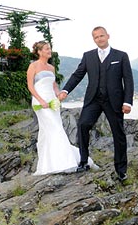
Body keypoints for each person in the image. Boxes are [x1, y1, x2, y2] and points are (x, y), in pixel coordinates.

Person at [58, 26, 134, 182]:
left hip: (114, 101)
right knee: (83, 125)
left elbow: (128, 80)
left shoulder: (121, 56)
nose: (99, 39)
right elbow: (77, 75)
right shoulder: (88, 56)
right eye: (96, 37)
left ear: (108, 36)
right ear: (94, 39)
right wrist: (65, 90)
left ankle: (121, 170)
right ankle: (84, 161)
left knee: (118, 134)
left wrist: (128, 102)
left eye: (101, 36)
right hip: (93, 99)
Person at [27, 40, 95, 175]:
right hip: (41, 103)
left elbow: (54, 85)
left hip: (53, 102)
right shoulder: (33, 66)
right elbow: (30, 86)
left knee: (49, 131)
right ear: (39, 51)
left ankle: (50, 162)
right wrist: (41, 100)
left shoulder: (51, 68)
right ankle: (64, 162)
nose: (49, 51)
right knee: (55, 129)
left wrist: (59, 94)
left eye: (49, 48)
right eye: (46, 49)